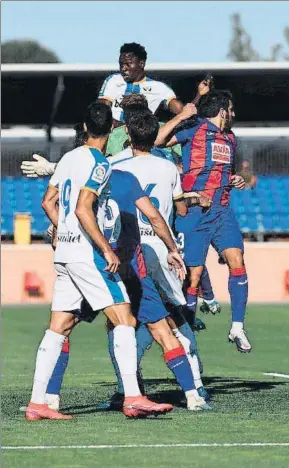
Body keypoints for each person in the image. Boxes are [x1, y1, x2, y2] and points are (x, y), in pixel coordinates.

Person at [25, 102, 173, 420]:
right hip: (84, 254)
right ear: (113, 130)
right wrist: (105, 248)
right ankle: (133, 397)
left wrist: (59, 233)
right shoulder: (99, 164)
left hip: (65, 253)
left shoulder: (69, 158)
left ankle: (38, 403)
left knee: (59, 327)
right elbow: (83, 208)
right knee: (125, 319)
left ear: (84, 126)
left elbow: (48, 201)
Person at [106, 110, 211, 410]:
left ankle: (126, 388)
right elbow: (175, 212)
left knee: (118, 323)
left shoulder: (114, 166)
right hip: (160, 249)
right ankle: (195, 389)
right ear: (155, 138)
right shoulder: (168, 168)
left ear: (127, 136)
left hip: (124, 252)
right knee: (174, 320)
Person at [157, 90, 252, 353]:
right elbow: (157, 140)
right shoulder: (194, 129)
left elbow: (228, 172)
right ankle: (185, 333)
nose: (233, 115)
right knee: (193, 275)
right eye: (231, 110)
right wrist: (181, 117)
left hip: (222, 211)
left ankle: (237, 327)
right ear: (223, 111)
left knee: (237, 261)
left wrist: (237, 179)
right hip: (195, 212)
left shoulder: (230, 139)